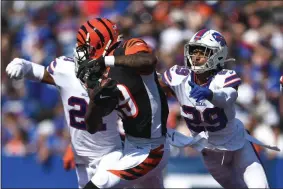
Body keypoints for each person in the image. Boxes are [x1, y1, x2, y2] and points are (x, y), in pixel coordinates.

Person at [5, 18, 159, 188]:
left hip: (110, 155)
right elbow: (40, 73)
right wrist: (22, 65)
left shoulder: (118, 78)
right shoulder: (64, 68)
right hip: (82, 158)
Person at [159, 29, 273, 188]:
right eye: (193, 51)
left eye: (202, 53)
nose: (195, 57)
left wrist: (211, 94)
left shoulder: (224, 77)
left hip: (238, 145)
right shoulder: (178, 77)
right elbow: (153, 91)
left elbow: (229, 95)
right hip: (210, 153)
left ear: (218, 55)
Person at [76, 21, 170, 189]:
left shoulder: (129, 47)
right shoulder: (101, 76)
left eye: (87, 48)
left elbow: (149, 60)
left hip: (152, 149)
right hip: (131, 145)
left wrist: (106, 60)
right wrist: (94, 101)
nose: (86, 55)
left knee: (98, 185)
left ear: (98, 43)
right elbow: (92, 126)